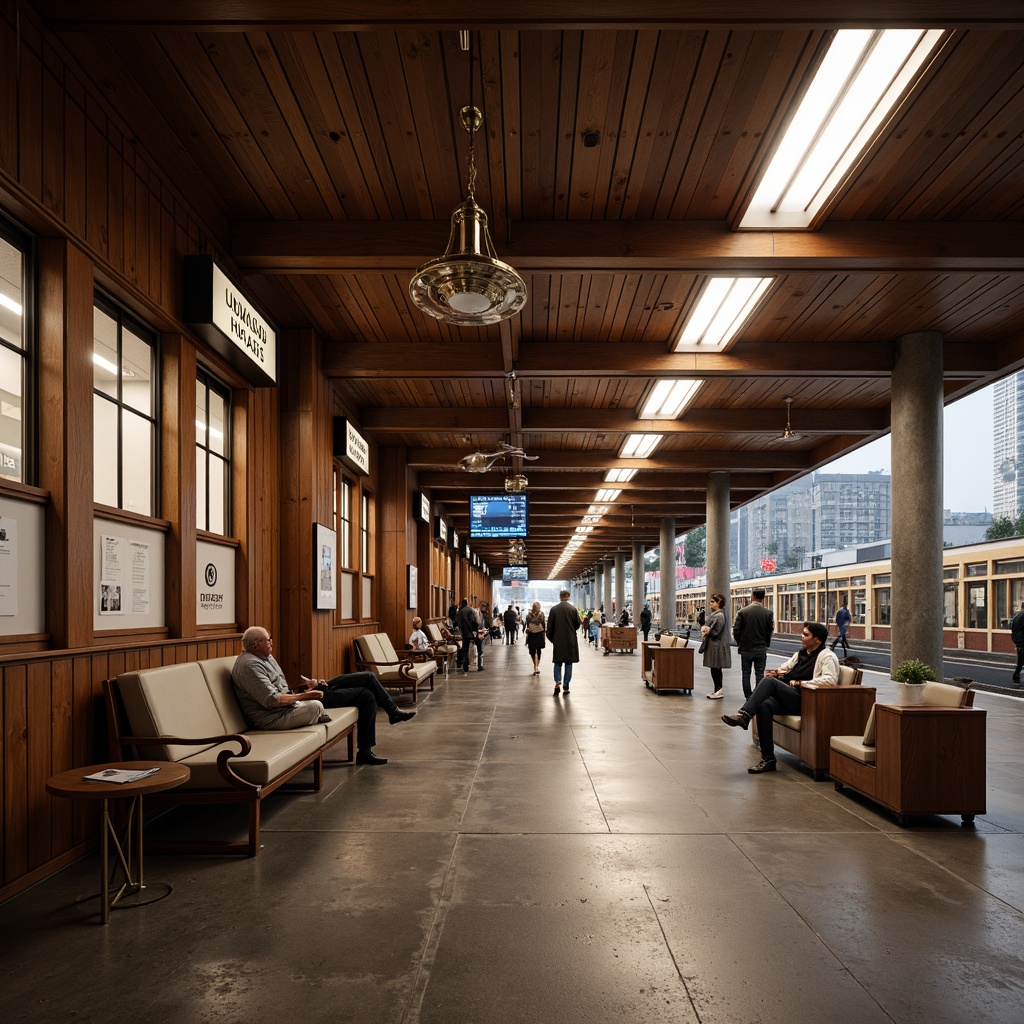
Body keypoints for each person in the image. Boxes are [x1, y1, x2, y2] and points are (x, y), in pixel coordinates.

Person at [231, 626, 413, 766]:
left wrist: (306, 688)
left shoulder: (265, 657)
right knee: (364, 694)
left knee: (367, 680)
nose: (271, 642)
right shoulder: (250, 667)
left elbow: (282, 691)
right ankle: (386, 720)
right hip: (275, 716)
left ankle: (371, 742)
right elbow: (273, 700)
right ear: (255, 645)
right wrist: (307, 696)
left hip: (292, 703)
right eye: (268, 640)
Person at [721, 621, 840, 774]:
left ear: (817, 639)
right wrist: (777, 672)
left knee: (770, 682)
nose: (801, 637)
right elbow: (786, 666)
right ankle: (768, 759)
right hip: (792, 696)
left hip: (806, 700)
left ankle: (745, 715)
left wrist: (801, 683)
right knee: (764, 705)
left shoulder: (828, 656)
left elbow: (830, 680)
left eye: (805, 635)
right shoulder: (801, 653)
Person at [732, 588, 774, 699]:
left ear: (753, 596)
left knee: (746, 674)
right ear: (763, 597)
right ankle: (757, 697)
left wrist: (740, 643)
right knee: (759, 674)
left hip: (746, 649)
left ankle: (748, 697)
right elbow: (769, 630)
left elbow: (736, 630)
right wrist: (766, 644)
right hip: (760, 649)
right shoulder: (768, 613)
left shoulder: (743, 612)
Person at [547, 589, 580, 695]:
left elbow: (549, 627)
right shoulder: (573, 609)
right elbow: (577, 625)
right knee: (568, 663)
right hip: (570, 640)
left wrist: (553, 639)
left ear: (560, 597)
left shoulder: (554, 609)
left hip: (558, 639)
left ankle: (557, 682)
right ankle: (566, 685)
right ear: (568, 596)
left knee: (557, 662)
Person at [701, 593, 731, 699]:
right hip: (715, 645)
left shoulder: (719, 615)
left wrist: (707, 631)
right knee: (715, 668)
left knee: (716, 668)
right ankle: (717, 690)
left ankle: (718, 690)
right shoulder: (718, 614)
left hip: (716, 646)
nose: (711, 604)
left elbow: (715, 631)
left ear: (718, 603)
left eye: (713, 602)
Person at [456, 598, 484, 673]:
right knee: (479, 648)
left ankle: (465, 666)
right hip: (473, 633)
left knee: (465, 649)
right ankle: (480, 665)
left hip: (464, 634)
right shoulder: (472, 610)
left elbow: (458, 623)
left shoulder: (459, 612)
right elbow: (477, 621)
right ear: (467, 603)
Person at [524, 600, 546, 675]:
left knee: (533, 651)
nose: (538, 609)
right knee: (537, 651)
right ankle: (536, 666)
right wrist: (544, 632)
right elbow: (544, 624)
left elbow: (527, 624)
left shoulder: (529, 615)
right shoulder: (541, 614)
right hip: (539, 633)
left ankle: (536, 666)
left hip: (532, 634)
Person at [1012, 601, 1024, 684]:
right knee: (1021, 659)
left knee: (1021, 659)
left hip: (1018, 640)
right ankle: (1016, 675)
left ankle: (1016, 675)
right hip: (1022, 640)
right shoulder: (1022, 616)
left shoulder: (1017, 615)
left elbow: (1012, 628)